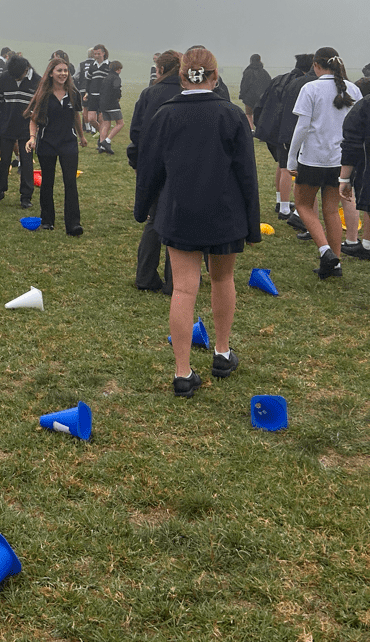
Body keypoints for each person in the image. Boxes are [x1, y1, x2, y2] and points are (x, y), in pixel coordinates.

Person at [134, 45, 261, 397]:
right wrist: (253, 225)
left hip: (179, 213)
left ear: (180, 76)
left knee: (184, 289)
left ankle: (182, 372)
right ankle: (222, 352)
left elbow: (149, 169)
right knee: (222, 279)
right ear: (215, 76)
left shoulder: (164, 115)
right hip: (225, 213)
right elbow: (247, 175)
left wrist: (142, 209)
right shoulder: (232, 115)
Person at [286, 47, 360, 279]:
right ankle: (335, 265)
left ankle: (325, 251)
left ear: (316, 66)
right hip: (340, 160)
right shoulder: (353, 89)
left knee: (303, 205)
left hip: (313, 159)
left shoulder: (310, 88)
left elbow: (302, 127)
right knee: (331, 210)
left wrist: (291, 157)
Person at [128, 50, 181, 293]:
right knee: (178, 223)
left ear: (159, 70)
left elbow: (136, 132)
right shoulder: (187, 92)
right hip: (181, 165)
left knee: (153, 219)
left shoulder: (149, 93)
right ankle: (176, 279)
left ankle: (145, 276)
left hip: (152, 163)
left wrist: (138, 161)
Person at [24, 57, 86, 235]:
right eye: (59, 70)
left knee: (70, 182)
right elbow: (33, 119)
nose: (63, 74)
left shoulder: (73, 93)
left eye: (65, 71)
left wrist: (82, 136)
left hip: (68, 143)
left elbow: (76, 116)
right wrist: (32, 138)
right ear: (51, 73)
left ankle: (73, 224)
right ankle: (47, 220)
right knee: (47, 182)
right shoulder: (43, 94)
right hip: (47, 143)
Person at [253, 53, 315, 229]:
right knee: (288, 167)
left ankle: (281, 201)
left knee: (281, 165)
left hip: (272, 128)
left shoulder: (280, 79)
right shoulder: (301, 83)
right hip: (287, 129)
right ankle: (285, 209)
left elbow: (261, 103)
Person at [0, 55, 38, 206]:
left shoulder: (37, 81)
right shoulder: (5, 78)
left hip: (26, 129)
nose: (15, 79)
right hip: (6, 125)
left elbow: (39, 106)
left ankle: (26, 196)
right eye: (13, 76)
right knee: (4, 160)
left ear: (26, 69)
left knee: (26, 162)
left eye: (18, 76)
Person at [340, 78, 370, 261]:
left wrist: (344, 178)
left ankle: (367, 245)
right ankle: (366, 244)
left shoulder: (365, 106)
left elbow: (351, 143)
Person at [239, 53, 272, 131]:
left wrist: (242, 95)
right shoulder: (264, 73)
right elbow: (269, 85)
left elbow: (244, 85)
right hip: (261, 98)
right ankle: (260, 130)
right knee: (261, 115)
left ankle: (251, 130)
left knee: (249, 114)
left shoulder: (247, 72)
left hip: (249, 98)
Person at [98, 61, 125, 154]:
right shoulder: (116, 78)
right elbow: (116, 89)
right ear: (118, 69)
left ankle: (102, 146)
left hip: (103, 104)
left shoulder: (106, 78)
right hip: (112, 104)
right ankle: (107, 141)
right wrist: (118, 98)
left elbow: (101, 91)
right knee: (120, 123)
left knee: (106, 124)